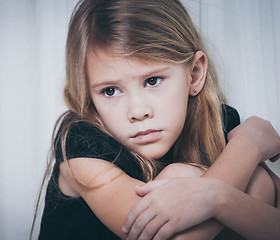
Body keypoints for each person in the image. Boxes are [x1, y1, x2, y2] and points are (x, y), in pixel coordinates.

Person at [34, 0, 280, 239]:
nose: (138, 111)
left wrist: (222, 194)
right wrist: (248, 145)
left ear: (194, 74)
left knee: (258, 183)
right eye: (110, 90)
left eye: (152, 81)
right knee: (188, 176)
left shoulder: (217, 122)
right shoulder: (81, 141)